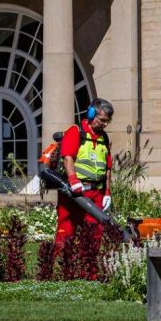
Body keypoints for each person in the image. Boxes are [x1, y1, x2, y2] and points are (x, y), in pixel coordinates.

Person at [55, 98, 114, 248]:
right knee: (66, 231)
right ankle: (60, 268)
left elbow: (107, 167)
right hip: (73, 194)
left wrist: (107, 192)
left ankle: (89, 271)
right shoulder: (76, 132)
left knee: (94, 234)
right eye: (102, 120)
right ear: (91, 114)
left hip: (96, 193)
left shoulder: (104, 138)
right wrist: (73, 180)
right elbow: (67, 157)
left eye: (108, 121)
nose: (105, 124)